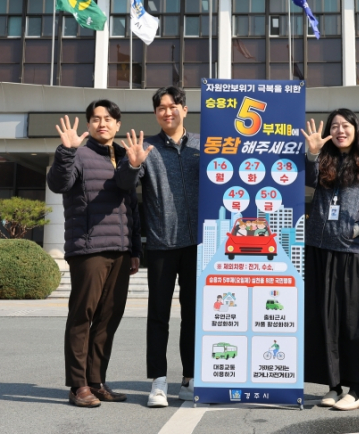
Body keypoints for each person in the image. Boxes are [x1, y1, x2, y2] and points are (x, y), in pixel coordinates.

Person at [47, 100, 142, 408]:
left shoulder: (124, 156)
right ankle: (78, 385)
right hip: (88, 249)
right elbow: (59, 183)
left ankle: (96, 381)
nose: (103, 123)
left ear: (117, 124)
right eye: (96, 119)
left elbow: (130, 204)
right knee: (82, 316)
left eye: (108, 119)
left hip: (120, 250)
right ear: (88, 124)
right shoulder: (78, 154)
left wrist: (135, 249)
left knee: (108, 318)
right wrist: (66, 151)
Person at [115, 86, 200, 408]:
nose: (168, 112)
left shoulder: (204, 145)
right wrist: (132, 164)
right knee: (158, 315)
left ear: (185, 110)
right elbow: (124, 185)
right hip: (162, 243)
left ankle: (190, 378)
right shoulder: (145, 147)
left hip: (199, 245)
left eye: (173, 106)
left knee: (193, 314)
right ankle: (159, 381)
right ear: (155, 114)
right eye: (161, 108)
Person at [302, 109, 359, 411]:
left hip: (352, 252)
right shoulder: (323, 161)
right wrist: (312, 154)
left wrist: (356, 230)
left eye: (345, 125)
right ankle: (333, 385)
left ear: (356, 129)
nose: (340, 130)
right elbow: (308, 180)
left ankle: (358, 389)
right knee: (324, 321)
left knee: (355, 322)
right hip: (319, 249)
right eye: (335, 126)